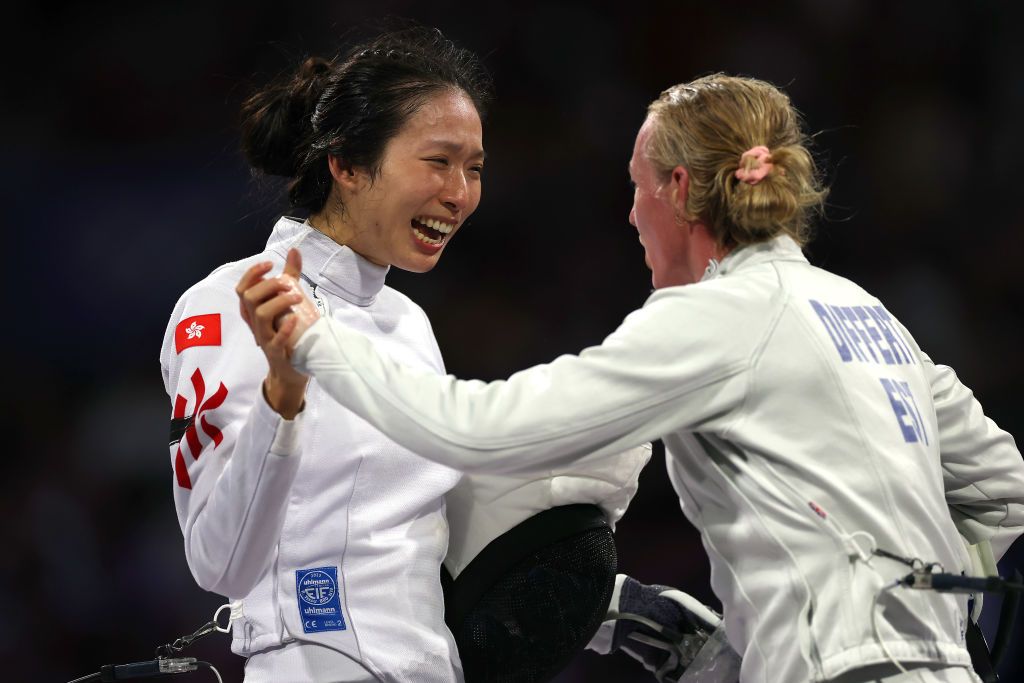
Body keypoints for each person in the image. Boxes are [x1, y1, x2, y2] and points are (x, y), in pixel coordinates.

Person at [243, 74, 1024, 683]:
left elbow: (476, 430)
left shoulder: (718, 317)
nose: (630, 216)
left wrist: (318, 340)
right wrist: (938, 619)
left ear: (680, 191)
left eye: (638, 187)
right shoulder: (872, 316)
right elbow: (1010, 492)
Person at [162, 25, 662, 683]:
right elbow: (218, 560)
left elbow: (426, 542)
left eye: (475, 167)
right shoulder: (230, 302)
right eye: (438, 161)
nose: (460, 194)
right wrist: (282, 400)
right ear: (346, 164)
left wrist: (608, 605)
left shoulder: (408, 324)